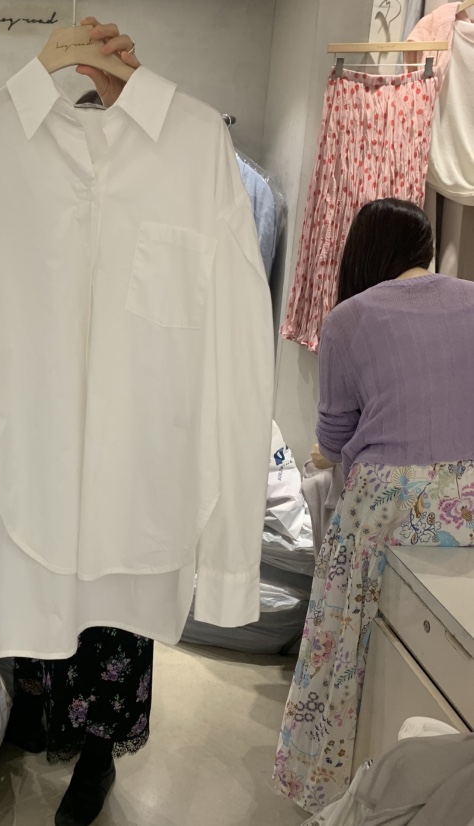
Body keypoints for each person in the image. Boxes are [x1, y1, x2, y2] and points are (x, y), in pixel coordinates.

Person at [274, 198, 474, 813]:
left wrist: (331, 450)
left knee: (339, 647)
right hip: (467, 501)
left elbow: (332, 441)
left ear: (362, 254)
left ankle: (330, 787)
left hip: (387, 508)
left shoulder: (349, 319)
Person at [3, 19, 147, 826]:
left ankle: (97, 753)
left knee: (114, 608)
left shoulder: (156, 202)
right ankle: (39, 707)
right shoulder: (28, 207)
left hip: (125, 451)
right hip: (42, 439)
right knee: (38, 576)